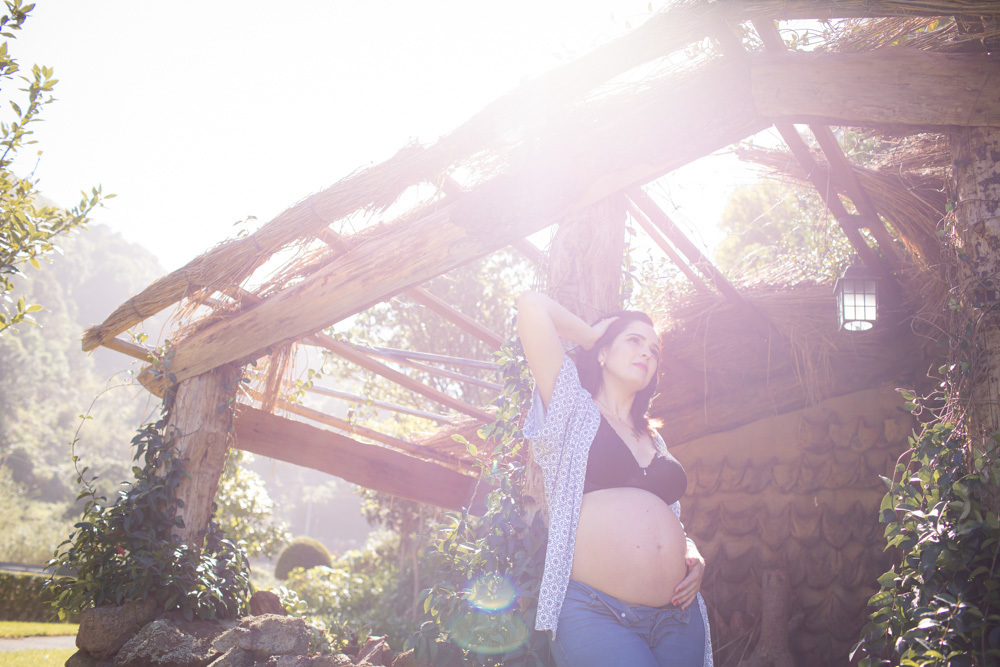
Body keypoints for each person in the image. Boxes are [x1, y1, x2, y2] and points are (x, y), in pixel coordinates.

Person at [517, 291, 712, 667]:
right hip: (596, 611)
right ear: (603, 354)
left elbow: (668, 515)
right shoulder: (572, 407)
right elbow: (531, 306)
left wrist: (692, 552)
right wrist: (590, 336)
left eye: (654, 351)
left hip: (678, 617)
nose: (647, 354)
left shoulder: (655, 439)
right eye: (634, 341)